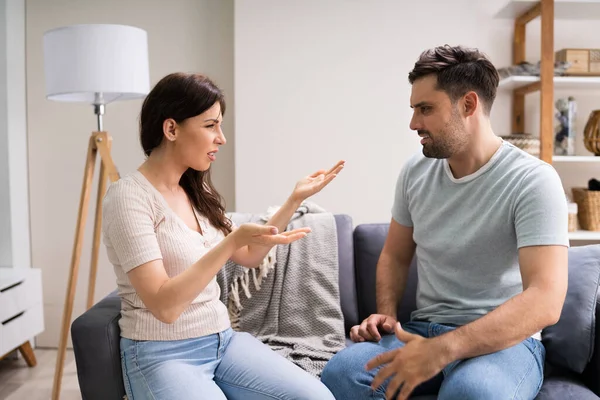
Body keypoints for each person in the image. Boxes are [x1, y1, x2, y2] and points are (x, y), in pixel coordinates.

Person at [321, 45, 569, 400]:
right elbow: (394, 256)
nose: (413, 123)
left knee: (472, 393)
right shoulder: (414, 172)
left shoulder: (533, 181)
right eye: (414, 109)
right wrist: (387, 316)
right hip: (423, 331)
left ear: (468, 105)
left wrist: (445, 349)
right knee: (342, 373)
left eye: (425, 109)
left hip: (503, 343)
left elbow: (545, 299)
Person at [102, 72, 343, 400]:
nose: (221, 138)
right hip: (161, 354)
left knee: (319, 398)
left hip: (223, 341)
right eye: (210, 125)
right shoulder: (128, 197)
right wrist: (229, 241)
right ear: (171, 129)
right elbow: (164, 306)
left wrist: (293, 200)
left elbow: (250, 255)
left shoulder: (194, 190)